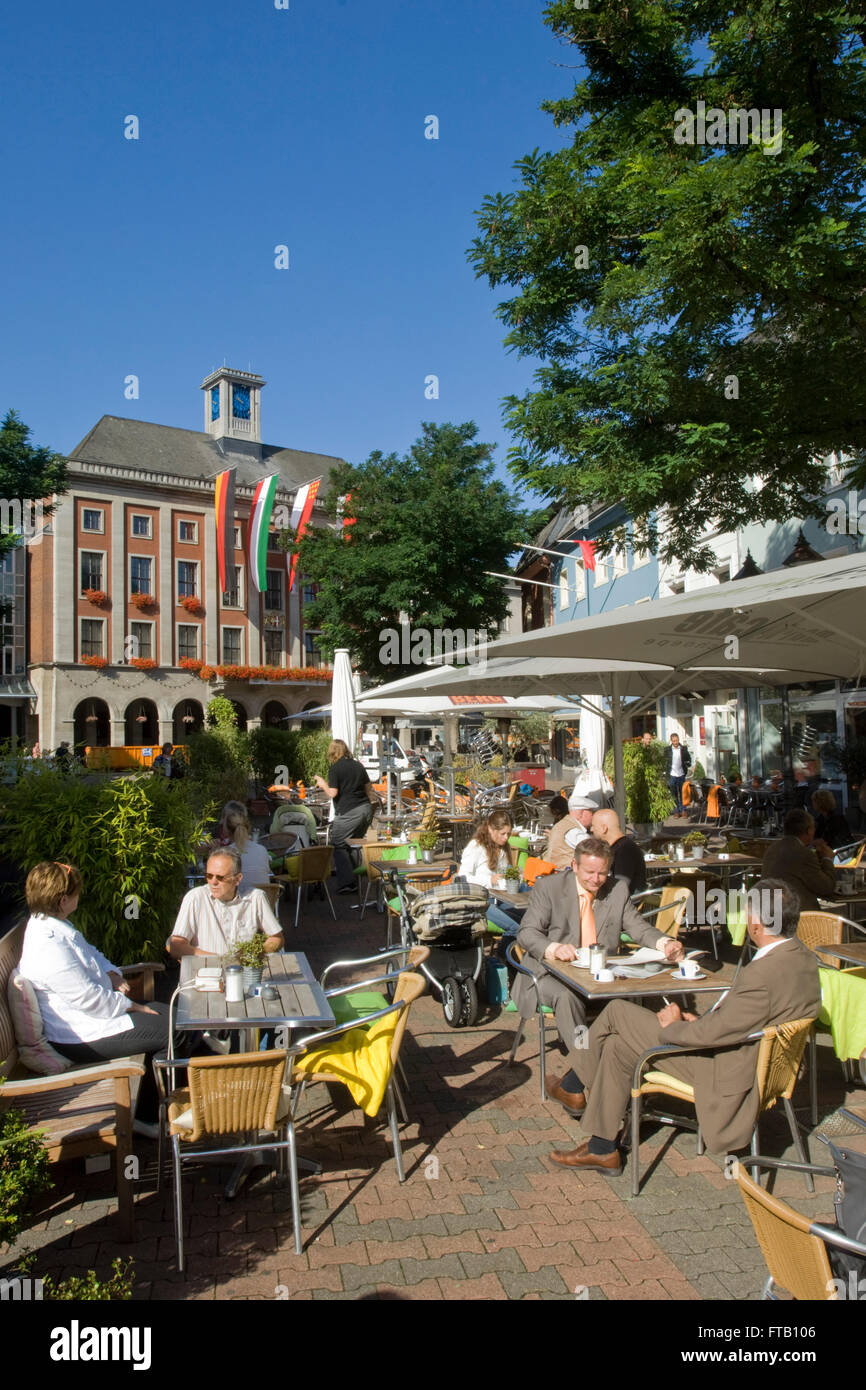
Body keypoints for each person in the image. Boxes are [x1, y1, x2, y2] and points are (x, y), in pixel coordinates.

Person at [546, 879, 821, 1174]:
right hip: (752, 1058)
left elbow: (712, 1035)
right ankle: (602, 1149)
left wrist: (674, 1026)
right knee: (618, 1045)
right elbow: (742, 1021)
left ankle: (573, 1084)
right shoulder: (804, 959)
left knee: (616, 1013)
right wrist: (699, 1020)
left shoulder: (762, 974)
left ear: (756, 924)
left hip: (727, 1069)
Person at [513, 836, 684, 1113]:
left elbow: (638, 927)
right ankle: (599, 1085)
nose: (596, 879)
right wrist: (554, 948)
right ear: (574, 866)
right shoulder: (550, 887)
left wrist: (665, 943)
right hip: (548, 975)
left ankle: (575, 1085)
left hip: (599, 978)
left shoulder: (616, 890)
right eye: (590, 872)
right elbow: (527, 933)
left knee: (630, 1002)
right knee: (568, 999)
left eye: (603, 872)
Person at [18, 862, 170, 1131]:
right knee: (171, 1032)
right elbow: (89, 999)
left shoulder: (54, 926)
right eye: (76, 893)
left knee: (171, 1015)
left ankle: (161, 1105)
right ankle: (146, 1116)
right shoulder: (48, 946)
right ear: (63, 900)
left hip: (93, 1019)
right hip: (79, 1036)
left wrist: (111, 973)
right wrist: (132, 1005)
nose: (79, 897)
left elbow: (92, 954)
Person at [168, 848, 283, 959]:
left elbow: (277, 938)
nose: (213, 882)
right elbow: (176, 946)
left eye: (220, 877)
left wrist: (254, 953)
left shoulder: (255, 898)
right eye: (209, 876)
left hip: (244, 973)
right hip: (205, 973)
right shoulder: (195, 898)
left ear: (238, 879)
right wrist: (220, 960)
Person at [314, 739, 374, 894]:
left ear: (333, 752)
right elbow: (369, 789)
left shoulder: (335, 768)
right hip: (365, 810)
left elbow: (333, 793)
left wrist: (322, 783)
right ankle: (354, 878)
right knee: (352, 843)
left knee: (338, 844)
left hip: (348, 811)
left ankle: (347, 883)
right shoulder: (358, 765)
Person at [459, 809, 523, 937]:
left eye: (508, 834)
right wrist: (489, 880)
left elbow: (504, 873)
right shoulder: (476, 847)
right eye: (502, 833)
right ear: (490, 829)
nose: (506, 838)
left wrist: (515, 876)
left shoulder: (503, 848)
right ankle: (502, 956)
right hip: (479, 902)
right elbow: (462, 877)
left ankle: (514, 954)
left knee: (527, 921)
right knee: (516, 928)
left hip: (498, 898)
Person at [762, 809, 837, 911]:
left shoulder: (773, 848)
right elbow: (826, 888)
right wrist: (827, 859)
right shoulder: (803, 854)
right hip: (796, 917)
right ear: (809, 830)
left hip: (769, 912)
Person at [215, 801, 272, 888]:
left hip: (239, 900)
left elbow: (217, 881)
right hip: (264, 899)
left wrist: (213, 854)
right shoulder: (262, 850)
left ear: (226, 829)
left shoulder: (227, 854)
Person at [590, 809, 647, 894]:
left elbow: (620, 887)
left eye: (593, 826)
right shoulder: (620, 847)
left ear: (604, 828)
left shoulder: (625, 850)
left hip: (626, 903)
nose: (591, 829)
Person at [545, 795, 597, 870]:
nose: (593, 815)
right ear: (581, 813)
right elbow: (596, 852)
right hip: (566, 875)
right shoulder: (574, 831)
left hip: (557, 873)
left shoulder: (563, 824)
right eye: (591, 812)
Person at [664, 733, 691, 818]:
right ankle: (676, 811)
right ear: (671, 741)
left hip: (681, 773)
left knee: (682, 793)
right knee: (674, 794)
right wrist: (665, 772)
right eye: (674, 741)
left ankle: (683, 810)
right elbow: (664, 761)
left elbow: (688, 759)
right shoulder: (667, 750)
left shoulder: (683, 749)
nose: (676, 742)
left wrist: (687, 765)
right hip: (672, 774)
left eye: (677, 740)